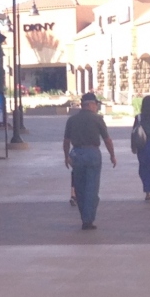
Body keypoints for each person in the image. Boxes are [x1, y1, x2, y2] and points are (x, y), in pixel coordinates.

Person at [62, 92, 116, 231]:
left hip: (77, 154)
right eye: (96, 104)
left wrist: (66, 156)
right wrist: (112, 155)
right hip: (92, 153)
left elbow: (66, 141)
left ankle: (84, 217)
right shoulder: (97, 119)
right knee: (92, 187)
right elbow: (107, 139)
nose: (96, 107)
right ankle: (88, 219)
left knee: (79, 187)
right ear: (91, 104)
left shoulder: (72, 120)